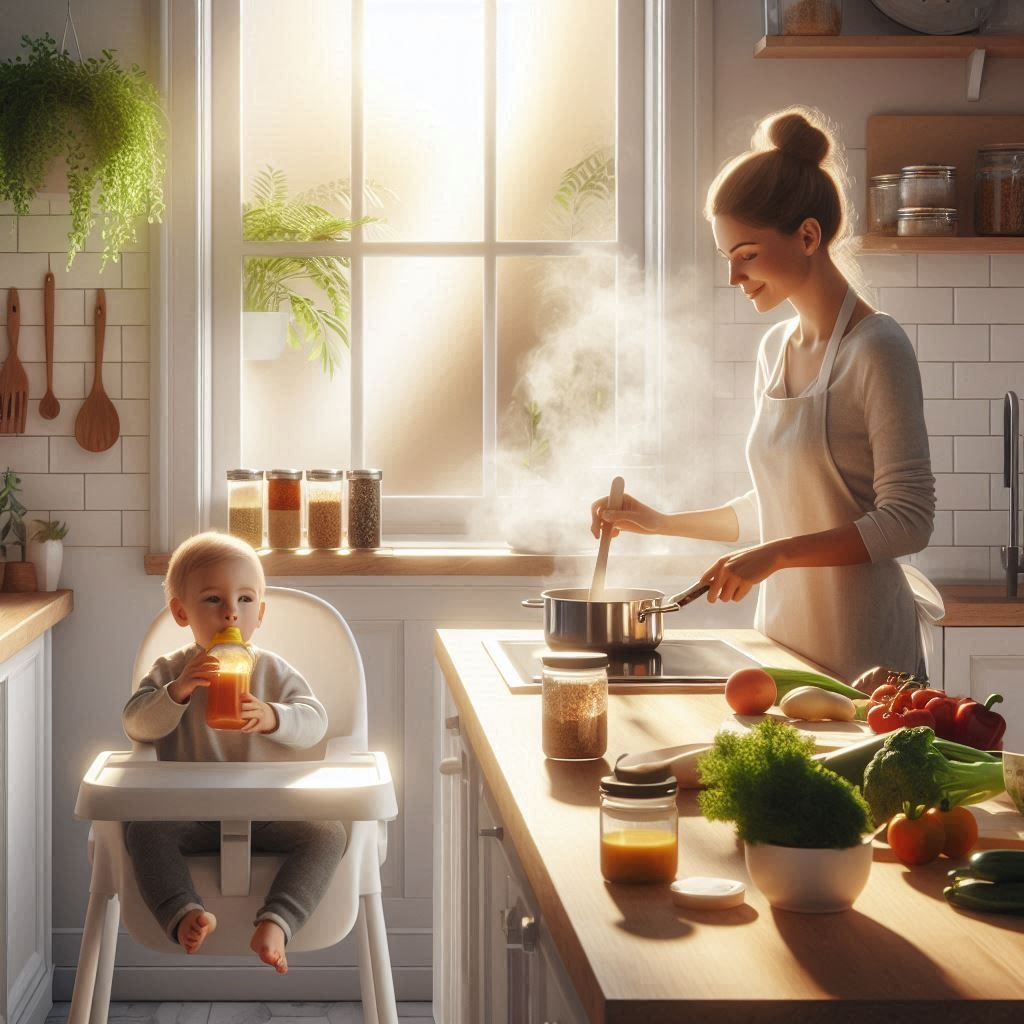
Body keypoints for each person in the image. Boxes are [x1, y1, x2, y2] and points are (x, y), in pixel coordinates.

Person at [591, 106, 940, 684]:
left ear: (807, 235)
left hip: (867, 655)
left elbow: (908, 520)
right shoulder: (776, 348)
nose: (734, 277)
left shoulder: (878, 348)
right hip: (781, 644)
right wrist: (659, 522)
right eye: (727, 258)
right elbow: (779, 504)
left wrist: (773, 555)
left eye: (746, 255)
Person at [122, 531, 346, 974]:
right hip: (188, 811)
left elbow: (316, 722)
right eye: (212, 600)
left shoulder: (273, 671)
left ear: (260, 613)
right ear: (181, 612)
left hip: (269, 809)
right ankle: (184, 912)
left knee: (329, 833)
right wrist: (178, 692)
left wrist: (274, 717)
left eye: (245, 600)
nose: (230, 612)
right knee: (142, 831)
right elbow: (135, 723)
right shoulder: (171, 669)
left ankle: (278, 921)